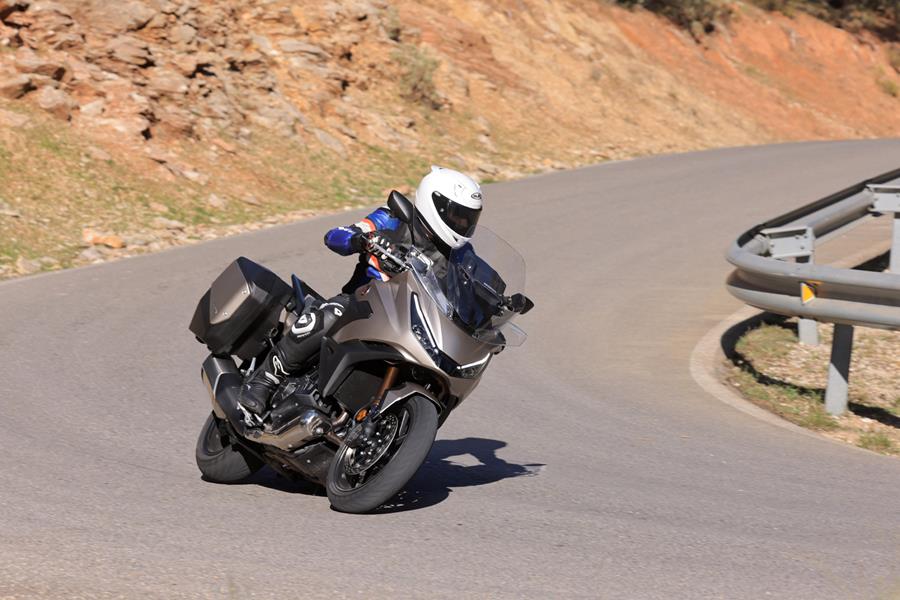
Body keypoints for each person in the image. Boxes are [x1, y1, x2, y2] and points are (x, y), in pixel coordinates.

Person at [237, 166, 484, 417]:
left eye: (468, 219)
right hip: (363, 303)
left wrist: (495, 305)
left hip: (414, 319)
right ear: (434, 204)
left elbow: (478, 285)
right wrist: (361, 239)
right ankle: (264, 379)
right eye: (457, 216)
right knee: (333, 313)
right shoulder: (393, 219)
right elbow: (336, 235)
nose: (463, 224)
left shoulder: (462, 255)